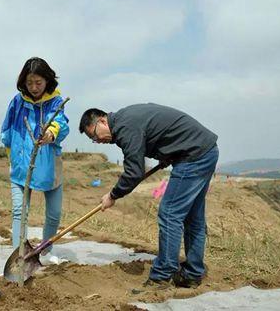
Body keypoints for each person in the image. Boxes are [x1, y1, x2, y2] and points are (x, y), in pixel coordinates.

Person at [79, 103, 218, 291]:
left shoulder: (125, 127)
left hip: (193, 156)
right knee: (193, 218)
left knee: (169, 213)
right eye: (93, 139)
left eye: (94, 135)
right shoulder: (125, 120)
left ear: (102, 120)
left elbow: (134, 172)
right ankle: (192, 274)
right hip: (205, 149)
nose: (97, 140)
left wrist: (113, 195)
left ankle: (162, 276)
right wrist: (168, 152)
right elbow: (159, 132)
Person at [0, 57, 69, 264]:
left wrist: (51, 133)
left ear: (47, 80)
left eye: (38, 83)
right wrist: (11, 155)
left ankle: (46, 251)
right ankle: (18, 256)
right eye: (29, 83)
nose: (34, 87)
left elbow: (61, 123)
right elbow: (6, 130)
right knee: (20, 212)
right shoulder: (17, 101)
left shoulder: (56, 102)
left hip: (48, 165)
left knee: (54, 213)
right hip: (21, 165)